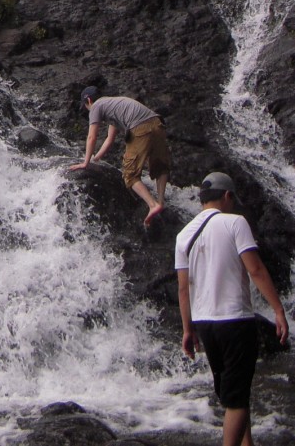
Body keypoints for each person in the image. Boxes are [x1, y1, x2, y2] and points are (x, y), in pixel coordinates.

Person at [175, 171, 289, 446]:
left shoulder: (183, 235)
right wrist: (278, 310)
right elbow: (256, 269)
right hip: (235, 320)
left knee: (234, 393)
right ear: (227, 196)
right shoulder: (235, 223)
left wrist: (187, 330)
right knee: (236, 400)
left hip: (205, 324)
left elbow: (183, 288)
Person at [69, 85, 170, 224]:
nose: (87, 109)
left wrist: (85, 163)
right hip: (157, 123)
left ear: (89, 101)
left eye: (85, 105)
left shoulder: (96, 106)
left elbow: (92, 137)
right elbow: (109, 140)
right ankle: (160, 201)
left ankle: (153, 205)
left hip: (140, 127)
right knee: (160, 166)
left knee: (129, 174)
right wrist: (96, 158)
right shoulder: (113, 105)